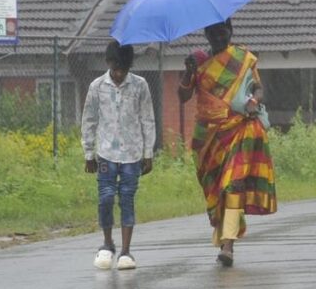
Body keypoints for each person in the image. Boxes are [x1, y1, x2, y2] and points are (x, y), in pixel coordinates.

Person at [178, 18, 277, 267]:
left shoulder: (243, 58)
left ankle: (229, 245)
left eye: (223, 33)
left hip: (240, 130)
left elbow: (257, 87)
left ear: (230, 32)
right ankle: (223, 237)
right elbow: (183, 96)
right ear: (206, 35)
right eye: (213, 34)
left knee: (233, 184)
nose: (219, 39)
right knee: (216, 190)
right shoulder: (198, 61)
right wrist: (189, 72)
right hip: (208, 138)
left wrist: (254, 100)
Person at [81, 39, 155, 270]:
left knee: (126, 198)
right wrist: (88, 153)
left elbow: (147, 119)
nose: (119, 74)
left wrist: (148, 152)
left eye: (124, 69)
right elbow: (89, 119)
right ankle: (107, 243)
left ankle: (126, 251)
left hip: (132, 153)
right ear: (109, 63)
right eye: (116, 69)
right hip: (105, 153)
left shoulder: (140, 86)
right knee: (105, 197)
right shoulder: (97, 86)